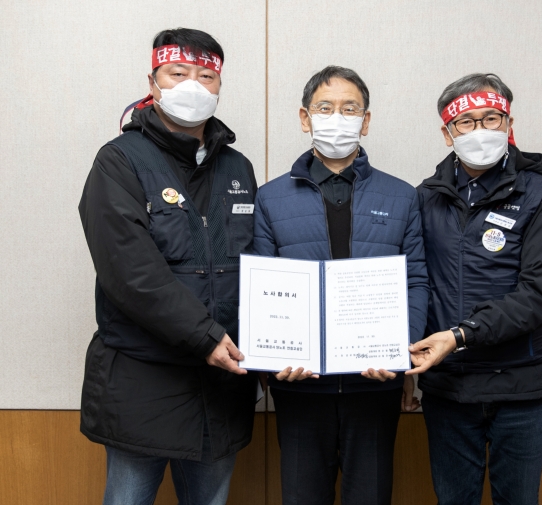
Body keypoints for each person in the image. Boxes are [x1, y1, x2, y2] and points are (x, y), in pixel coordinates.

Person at [78, 28, 258, 505]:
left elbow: (257, 264)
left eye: (205, 75)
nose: (192, 85)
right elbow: (131, 272)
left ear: (219, 85)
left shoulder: (237, 168)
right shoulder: (119, 162)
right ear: (153, 81)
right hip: (144, 384)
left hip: (221, 386)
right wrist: (205, 336)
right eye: (177, 73)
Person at [253, 66, 428, 505]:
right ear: (304, 116)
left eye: (349, 108)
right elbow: (259, 284)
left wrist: (398, 353)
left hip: (375, 383)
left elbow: (416, 280)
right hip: (298, 384)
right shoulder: (270, 197)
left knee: (370, 496)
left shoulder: (402, 196)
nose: (338, 117)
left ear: (366, 120)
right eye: (325, 108)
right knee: (301, 496)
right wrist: (272, 362)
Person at [407, 73, 542, 505]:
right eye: (467, 122)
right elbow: (414, 284)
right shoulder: (424, 199)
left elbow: (539, 294)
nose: (481, 130)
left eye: (492, 118)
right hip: (449, 389)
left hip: (521, 388)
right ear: (447, 133)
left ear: (508, 123)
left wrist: (461, 335)